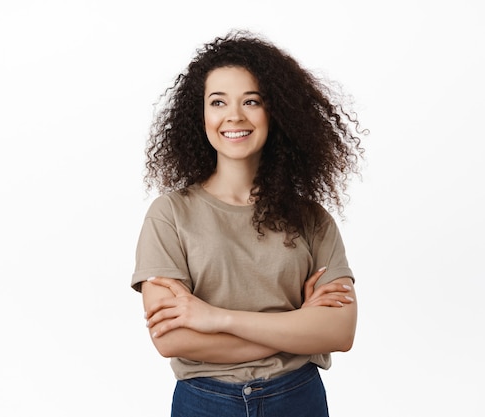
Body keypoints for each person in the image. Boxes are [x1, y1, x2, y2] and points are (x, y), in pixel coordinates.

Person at [131, 29, 366, 417]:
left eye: (251, 101)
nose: (234, 116)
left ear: (276, 112)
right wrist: (298, 327)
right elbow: (172, 338)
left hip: (297, 399)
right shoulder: (169, 214)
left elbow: (339, 332)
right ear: (200, 114)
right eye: (218, 101)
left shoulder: (312, 219)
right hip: (204, 403)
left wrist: (215, 318)